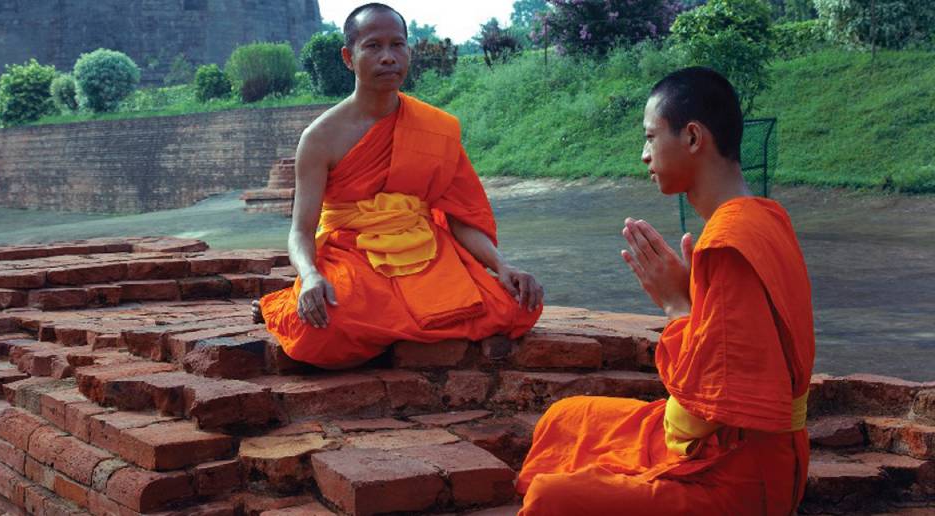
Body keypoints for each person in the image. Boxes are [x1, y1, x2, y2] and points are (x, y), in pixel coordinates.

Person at [516, 67, 815, 515]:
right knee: (567, 417)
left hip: (737, 476)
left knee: (549, 499)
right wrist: (690, 300)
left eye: (651, 137)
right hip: (710, 441)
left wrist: (676, 305)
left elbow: (716, 402)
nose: (643, 155)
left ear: (693, 138)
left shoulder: (731, 242)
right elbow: (736, 357)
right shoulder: (766, 218)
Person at [253, 3, 544, 369]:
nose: (388, 57)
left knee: (514, 308)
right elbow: (301, 230)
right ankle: (287, 302)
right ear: (348, 56)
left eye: (398, 45)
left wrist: (502, 266)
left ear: (409, 51)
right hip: (353, 252)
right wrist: (310, 275)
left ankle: (389, 325)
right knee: (321, 331)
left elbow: (459, 218)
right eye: (373, 46)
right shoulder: (320, 138)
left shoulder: (436, 127)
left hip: (424, 249)